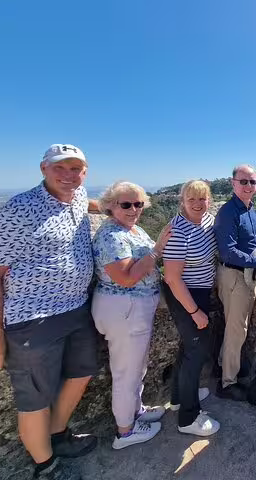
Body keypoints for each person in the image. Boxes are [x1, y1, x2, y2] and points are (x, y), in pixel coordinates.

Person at [0, 144, 99, 479]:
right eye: (60, 168)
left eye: (76, 169)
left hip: (76, 309)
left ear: (85, 173)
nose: (68, 175)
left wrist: (117, 207)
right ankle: (46, 467)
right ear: (43, 168)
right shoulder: (18, 210)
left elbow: (87, 202)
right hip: (32, 319)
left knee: (81, 372)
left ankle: (57, 436)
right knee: (35, 398)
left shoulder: (77, 196)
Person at [90, 182, 172, 449]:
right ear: (110, 206)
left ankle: (136, 411)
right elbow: (126, 277)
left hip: (133, 310)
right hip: (124, 309)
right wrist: (157, 249)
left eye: (138, 204)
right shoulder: (112, 236)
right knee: (126, 371)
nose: (134, 209)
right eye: (126, 204)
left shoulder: (129, 229)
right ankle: (125, 432)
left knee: (137, 366)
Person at [213, 165, 256, 400]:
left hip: (246, 276)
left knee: (236, 327)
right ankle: (227, 383)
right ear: (232, 183)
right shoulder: (228, 212)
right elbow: (228, 252)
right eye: (243, 182)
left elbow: (255, 241)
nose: (248, 186)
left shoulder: (249, 209)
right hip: (234, 277)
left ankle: (223, 366)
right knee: (236, 330)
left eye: (252, 182)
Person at [163, 180, 221, 436]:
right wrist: (194, 312)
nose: (197, 204)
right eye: (191, 200)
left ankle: (178, 397)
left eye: (202, 199)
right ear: (182, 202)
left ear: (209, 200)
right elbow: (172, 278)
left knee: (189, 348)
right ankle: (188, 417)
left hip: (199, 291)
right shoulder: (178, 231)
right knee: (196, 351)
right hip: (183, 294)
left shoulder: (207, 221)